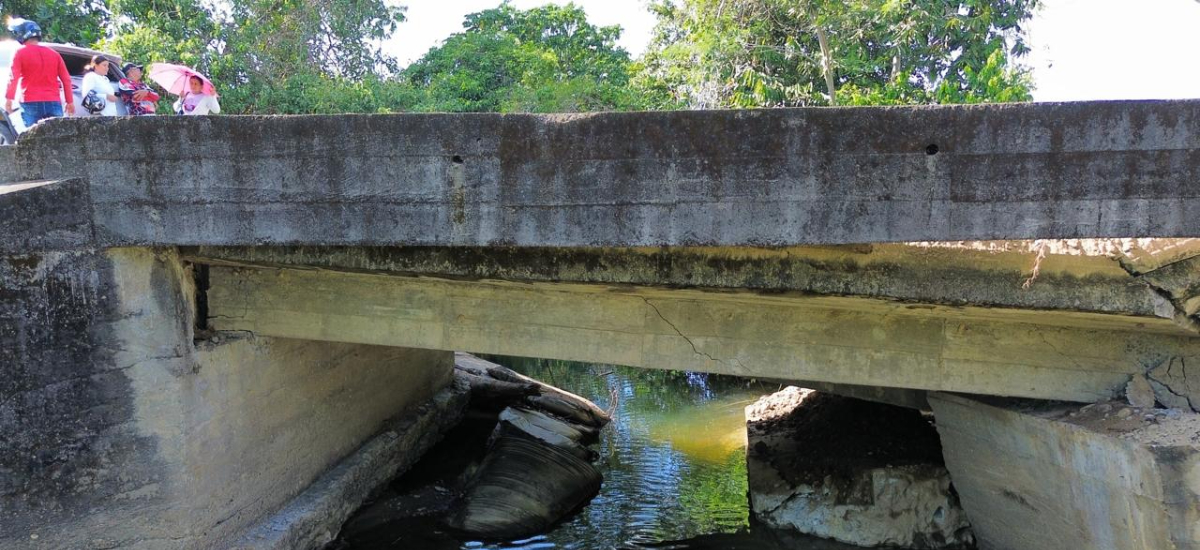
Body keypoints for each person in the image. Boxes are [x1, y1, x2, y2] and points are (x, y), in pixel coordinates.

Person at [3, 19, 75, 127]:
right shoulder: (54, 54)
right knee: (56, 136)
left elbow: (13, 78)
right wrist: (70, 102)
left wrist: (9, 99)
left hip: (30, 102)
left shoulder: (20, 52)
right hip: (53, 102)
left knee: (31, 136)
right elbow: (66, 80)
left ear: (23, 34)